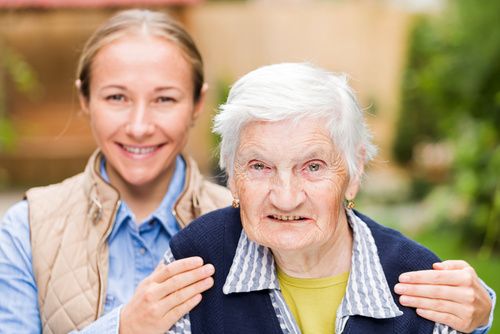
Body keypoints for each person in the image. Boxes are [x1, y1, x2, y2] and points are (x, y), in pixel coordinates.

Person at [0, 10, 493, 334]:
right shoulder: (31, 226)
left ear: (197, 104)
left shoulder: (243, 226)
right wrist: (124, 326)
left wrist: (481, 309)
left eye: (165, 98)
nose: (140, 124)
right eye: (115, 97)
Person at [164, 62, 495, 333]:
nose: (286, 198)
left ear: (353, 174)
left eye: (312, 166)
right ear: (231, 176)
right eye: (260, 166)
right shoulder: (194, 261)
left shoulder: (420, 284)